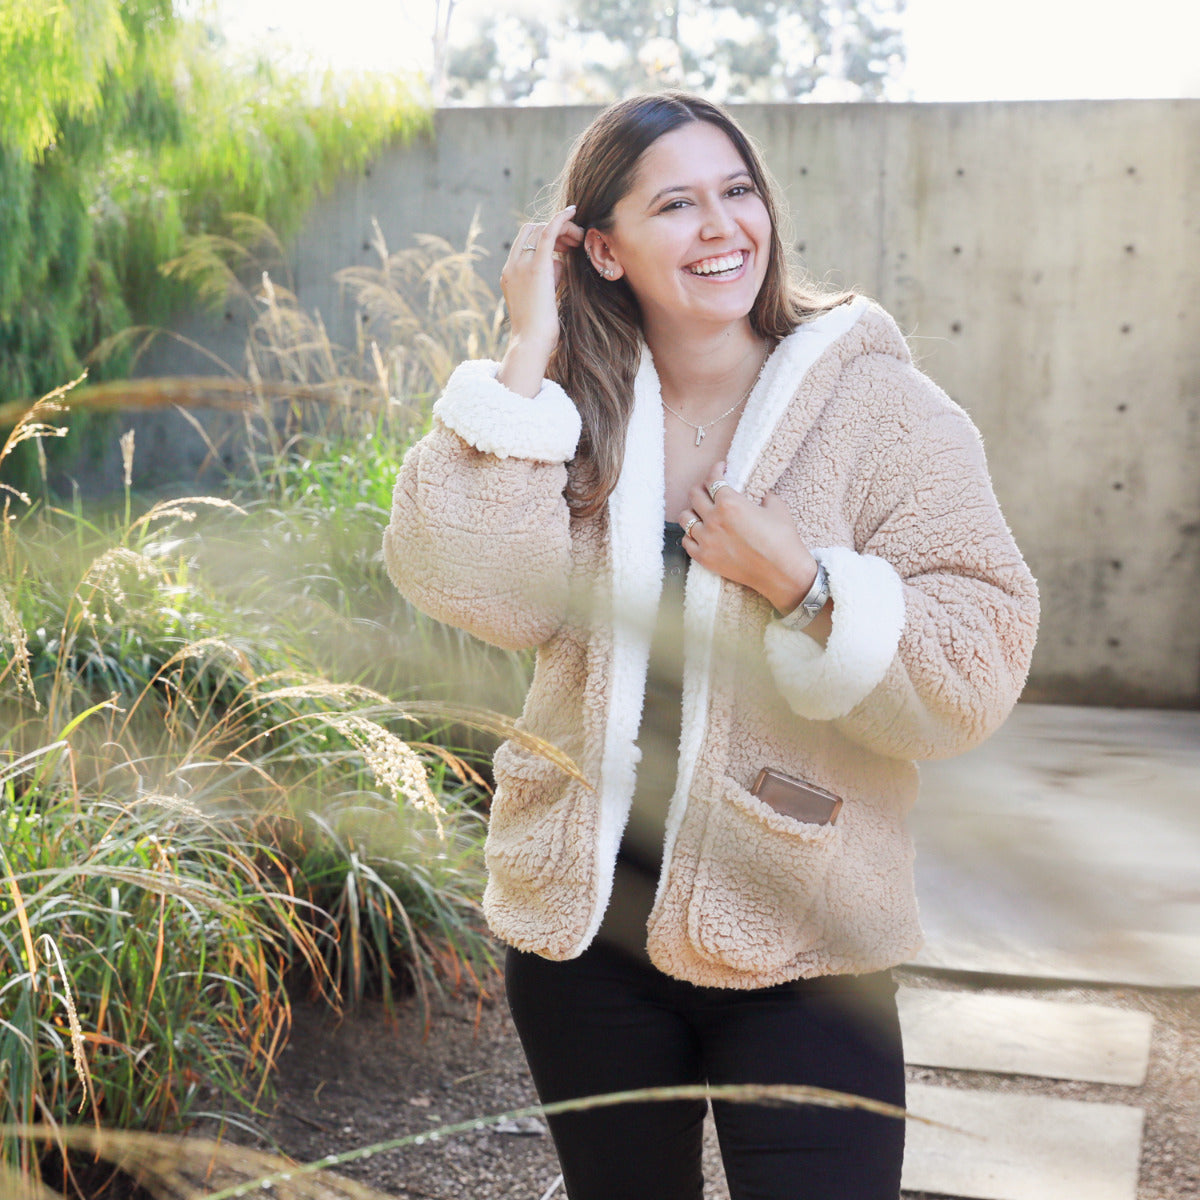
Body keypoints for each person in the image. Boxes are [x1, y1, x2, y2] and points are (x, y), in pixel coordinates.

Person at [383, 91, 1038, 1200]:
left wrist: (804, 582)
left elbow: (978, 664)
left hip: (804, 937)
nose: (722, 226)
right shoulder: (572, 411)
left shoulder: (881, 410)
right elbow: (476, 588)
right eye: (675, 204)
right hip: (586, 936)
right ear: (599, 247)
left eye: (737, 192)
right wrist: (524, 357)